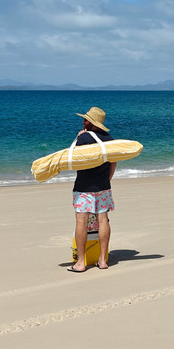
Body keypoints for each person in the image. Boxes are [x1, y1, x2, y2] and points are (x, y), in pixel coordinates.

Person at [70, 107, 116, 273]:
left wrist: (79, 137)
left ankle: (81, 263)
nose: (83, 122)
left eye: (85, 120)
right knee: (103, 220)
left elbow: (73, 159)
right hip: (103, 186)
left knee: (81, 221)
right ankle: (102, 260)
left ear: (90, 122)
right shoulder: (109, 139)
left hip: (84, 187)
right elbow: (113, 163)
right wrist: (107, 180)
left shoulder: (84, 138)